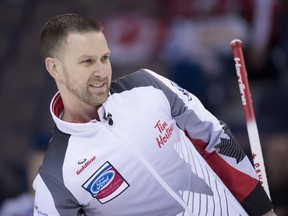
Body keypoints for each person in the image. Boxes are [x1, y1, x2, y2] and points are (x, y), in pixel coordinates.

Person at [33, 13, 276, 216]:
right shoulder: (54, 178)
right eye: (87, 61)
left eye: (104, 58)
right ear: (55, 67)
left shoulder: (148, 85)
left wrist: (263, 209)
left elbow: (214, 138)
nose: (101, 71)